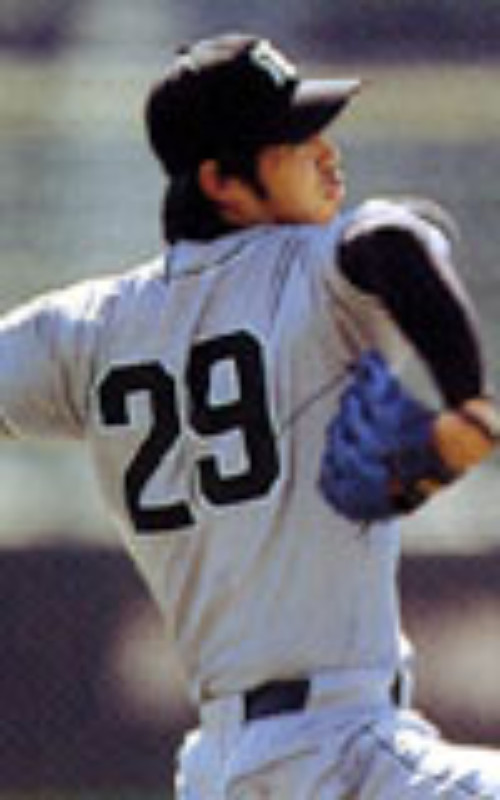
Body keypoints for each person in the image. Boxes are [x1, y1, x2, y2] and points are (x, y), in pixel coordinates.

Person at [1, 31, 499, 798]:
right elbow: (397, 241)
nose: (328, 155)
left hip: (221, 767)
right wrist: (469, 404)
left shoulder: (85, 330)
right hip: (344, 750)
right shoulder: (314, 273)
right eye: (295, 142)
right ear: (222, 182)